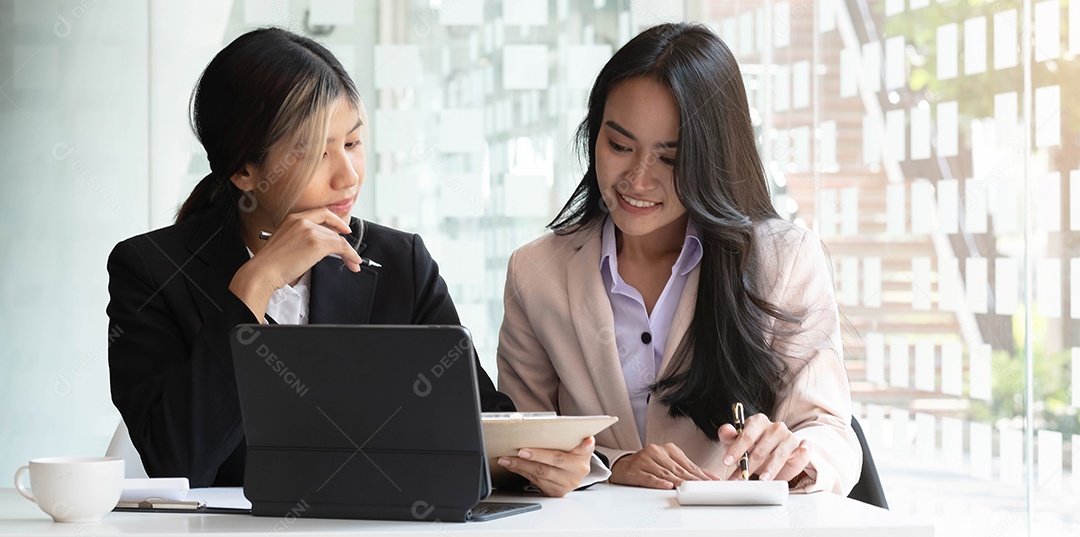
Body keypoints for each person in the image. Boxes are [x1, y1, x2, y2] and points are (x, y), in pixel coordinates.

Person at [107, 28, 593, 496]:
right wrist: (255, 285)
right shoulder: (149, 271)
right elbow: (176, 460)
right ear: (244, 170)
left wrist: (542, 465)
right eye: (319, 153)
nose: (349, 175)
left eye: (353, 143)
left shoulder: (401, 264)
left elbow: (481, 421)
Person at [496, 22, 861, 494]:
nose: (638, 179)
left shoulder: (784, 260)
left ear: (713, 158)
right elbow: (519, 447)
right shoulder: (536, 272)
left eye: (670, 158)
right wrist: (612, 466)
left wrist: (794, 456)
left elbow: (828, 428)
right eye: (619, 145)